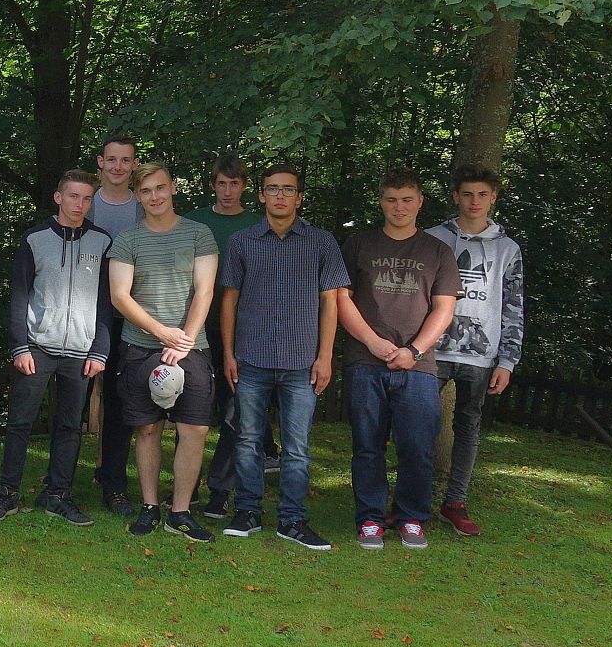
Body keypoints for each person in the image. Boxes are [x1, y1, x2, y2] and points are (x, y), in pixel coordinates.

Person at [216, 166, 348, 550]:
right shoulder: (242, 241)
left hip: (302, 362)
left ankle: (292, 519)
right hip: (251, 359)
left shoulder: (321, 242)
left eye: (288, 190)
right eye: (272, 189)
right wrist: (228, 353)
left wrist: (325, 356)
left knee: (297, 448)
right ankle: (247, 512)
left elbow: (331, 302)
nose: (279, 196)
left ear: (299, 197)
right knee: (247, 441)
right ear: (261, 195)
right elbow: (229, 301)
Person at [338, 168, 460, 551]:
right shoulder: (359, 244)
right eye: (391, 199)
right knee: (367, 445)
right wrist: (372, 342)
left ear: (420, 202)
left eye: (407, 200)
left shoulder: (437, 251)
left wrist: (415, 350)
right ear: (381, 202)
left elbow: (444, 309)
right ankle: (370, 519)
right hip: (365, 361)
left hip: (418, 367)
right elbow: (341, 299)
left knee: (418, 447)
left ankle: (412, 518)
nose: (399, 207)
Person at [0, 169, 109, 526]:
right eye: (73, 196)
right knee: (20, 422)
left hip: (81, 351)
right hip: (38, 346)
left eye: (86, 198)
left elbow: (107, 301)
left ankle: (58, 495)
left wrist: (99, 350)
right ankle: (6, 493)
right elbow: (19, 294)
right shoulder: (35, 238)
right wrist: (19, 346)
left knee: (70, 426)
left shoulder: (102, 242)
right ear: (58, 197)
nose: (80, 204)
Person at [108, 161, 219, 541]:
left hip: (192, 347)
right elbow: (120, 295)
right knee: (148, 428)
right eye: (145, 191)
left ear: (172, 188)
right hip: (140, 348)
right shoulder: (128, 239)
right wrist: (161, 334)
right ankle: (150, 506)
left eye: (160, 187)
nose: (154, 196)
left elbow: (205, 290)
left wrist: (184, 339)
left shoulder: (199, 233)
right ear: (137, 197)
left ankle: (181, 512)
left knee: (195, 428)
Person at [425, 165, 525, 537]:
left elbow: (513, 305)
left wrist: (508, 360)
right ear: (455, 197)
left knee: (468, 426)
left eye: (482, 194)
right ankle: (411, 501)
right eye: (467, 194)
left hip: (481, 353)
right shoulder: (432, 239)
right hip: (431, 350)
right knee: (417, 424)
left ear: (493, 198)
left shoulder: (507, 249)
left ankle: (455, 502)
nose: (474, 201)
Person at [184, 155, 276, 518]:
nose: (227, 191)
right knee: (193, 409)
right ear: (212, 185)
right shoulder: (194, 221)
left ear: (245, 187)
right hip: (195, 327)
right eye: (221, 183)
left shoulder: (257, 225)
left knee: (236, 412)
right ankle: (187, 485)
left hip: (242, 331)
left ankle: (221, 489)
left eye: (234, 184)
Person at [87, 136, 143, 518]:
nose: (118, 167)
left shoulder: (144, 207)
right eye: (112, 160)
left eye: (125, 160)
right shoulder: (85, 202)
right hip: (83, 313)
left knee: (119, 402)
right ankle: (59, 482)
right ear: (101, 163)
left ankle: (114, 483)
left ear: (134, 164)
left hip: (127, 316)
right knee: (74, 398)